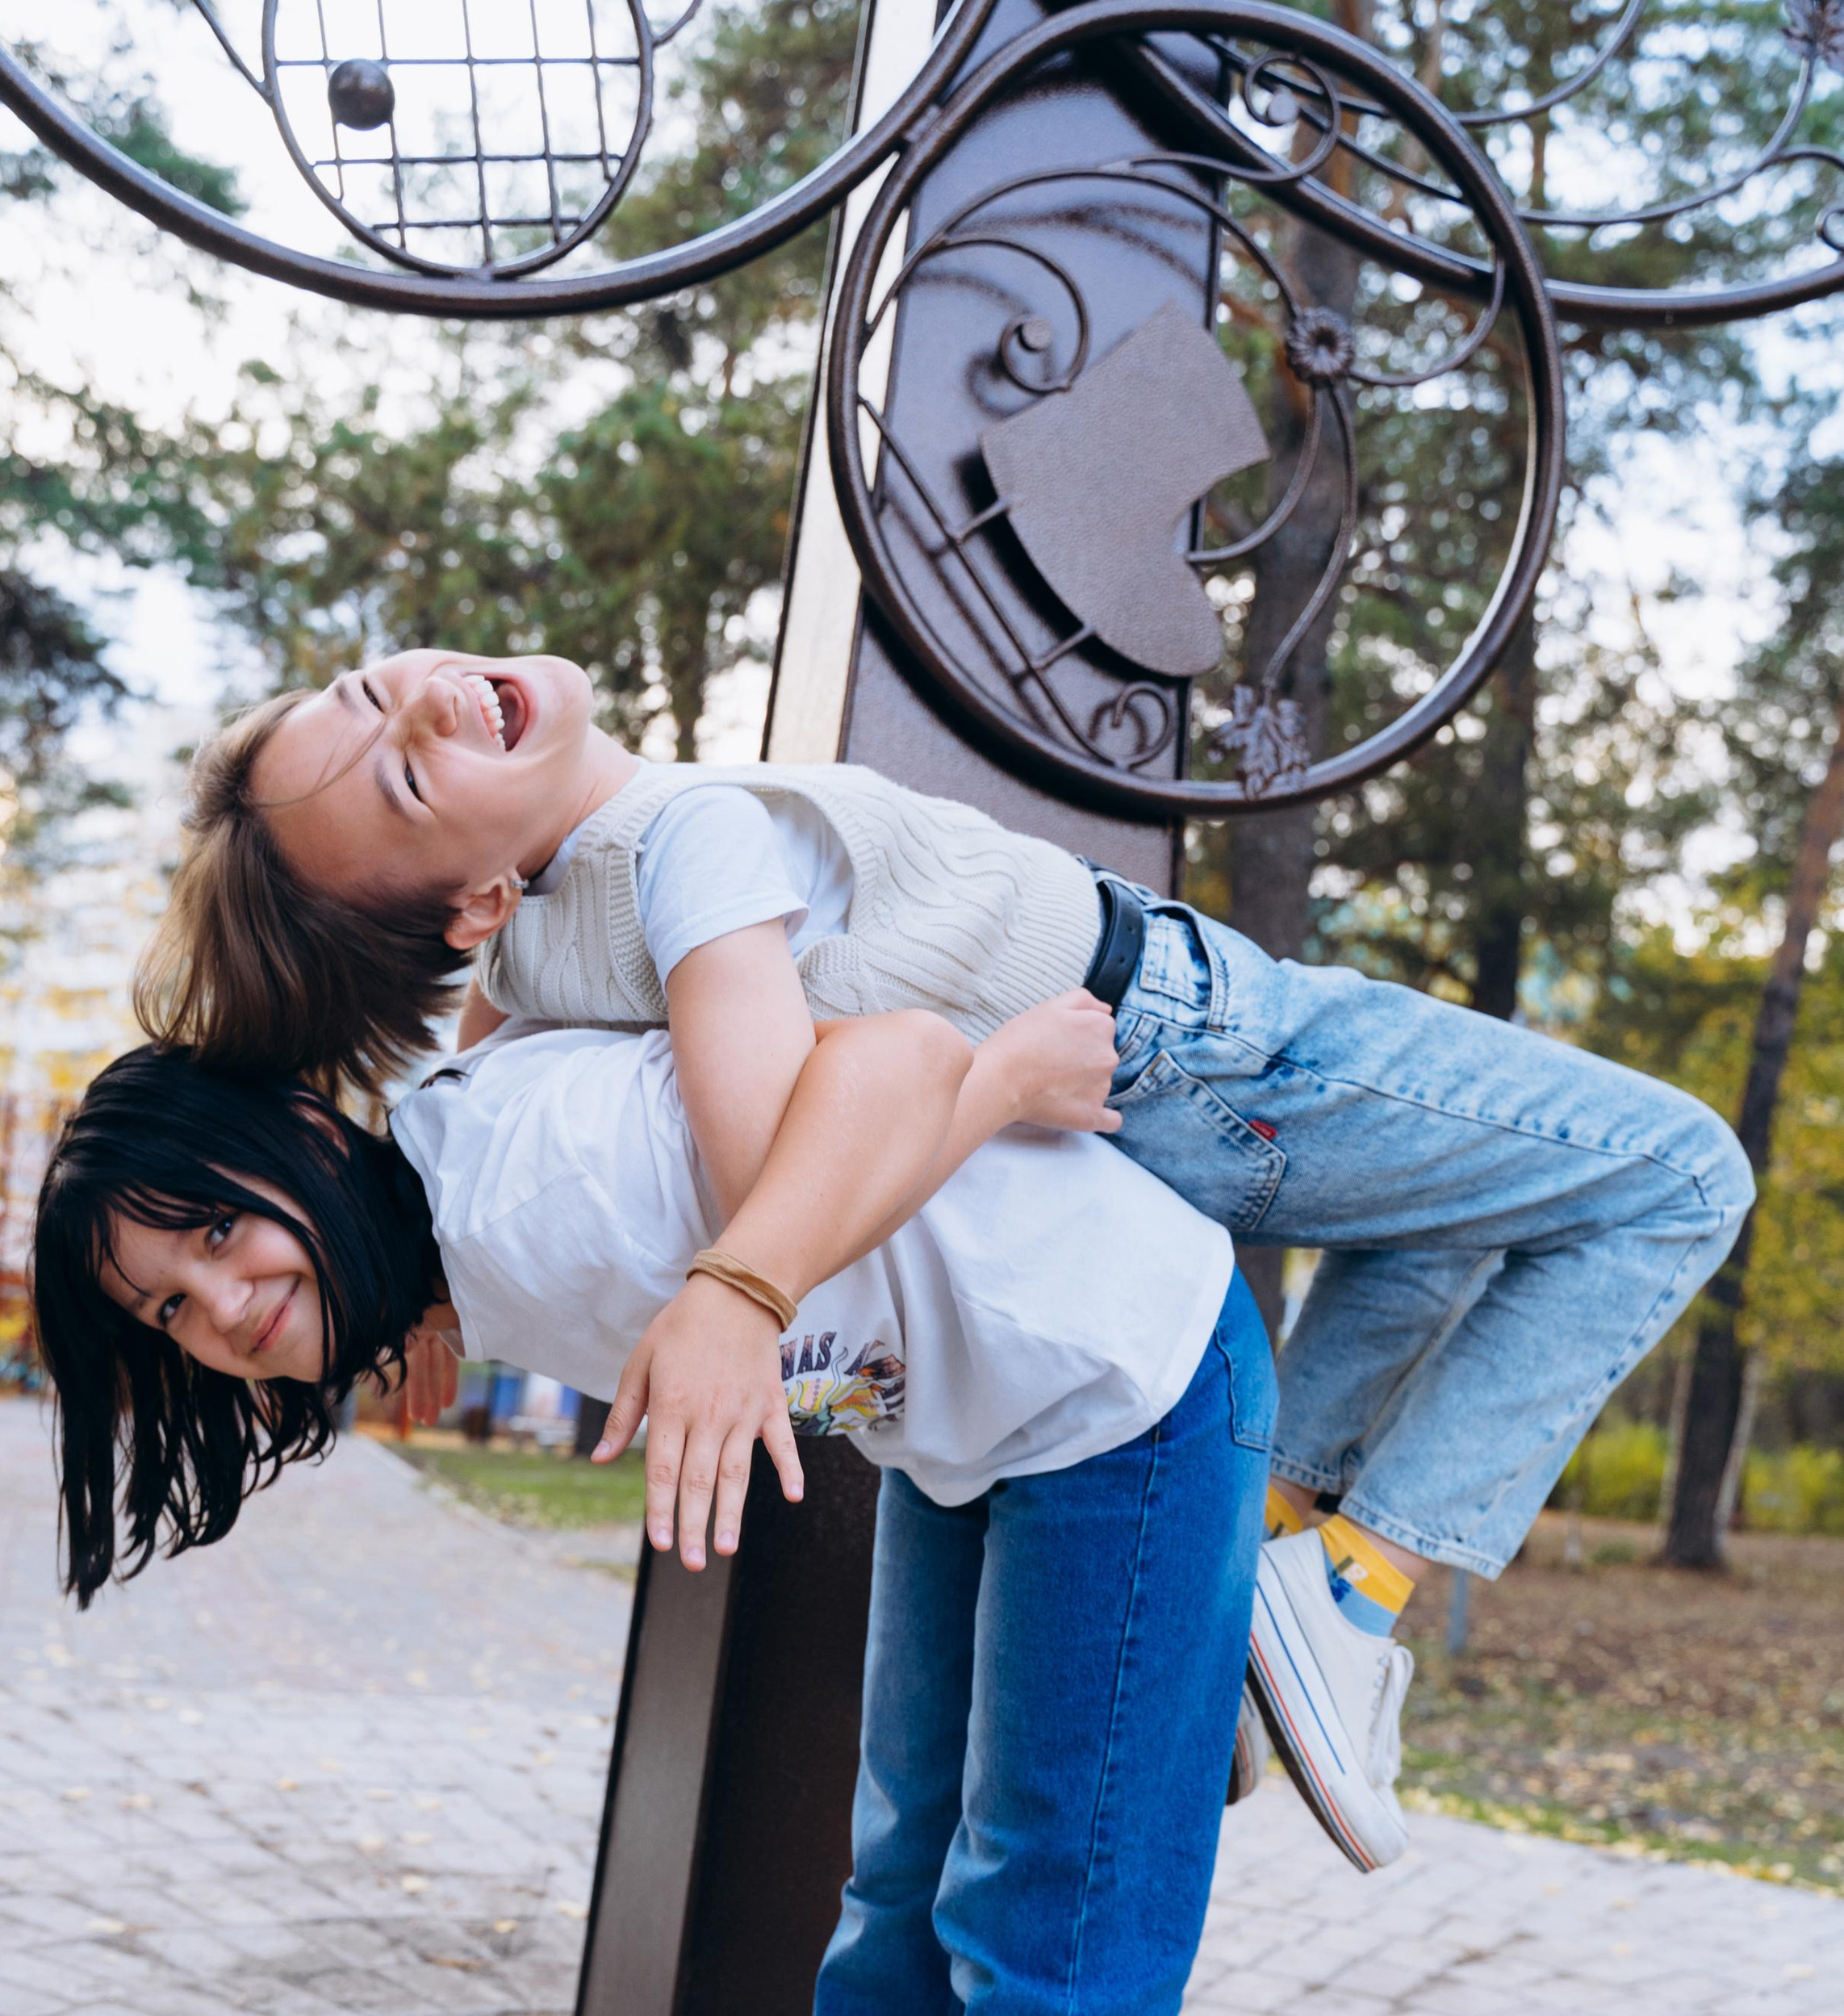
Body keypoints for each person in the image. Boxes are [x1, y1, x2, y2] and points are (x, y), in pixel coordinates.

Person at [31, 995, 1269, 2016]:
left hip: (1120, 1379)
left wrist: (982, 1092)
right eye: (169, 1307)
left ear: (310, 1141)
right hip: (973, 1423)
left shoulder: (532, 1196)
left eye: (212, 1232)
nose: (222, 1304)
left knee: (1058, 1940)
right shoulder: (467, 1230)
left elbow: (861, 1062)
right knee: (899, 1903)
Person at [135, 650, 1754, 1872]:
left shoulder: (537, 943)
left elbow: (473, 1085)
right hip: (1188, 1042)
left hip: (1152, 1087)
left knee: (1465, 1212)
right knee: (1678, 1176)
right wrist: (959, 1111)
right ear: (474, 896)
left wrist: (406, 1301)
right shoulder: (688, 844)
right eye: (405, 783)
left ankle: (1266, 1557)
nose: (423, 708)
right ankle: (1347, 1588)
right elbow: (768, 1174)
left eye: (372, 691)